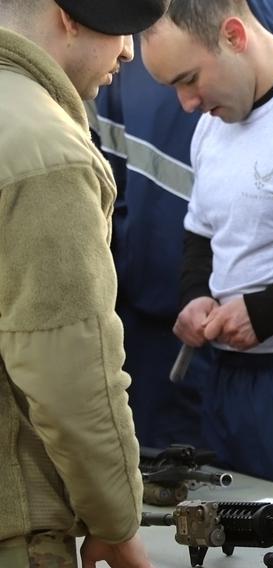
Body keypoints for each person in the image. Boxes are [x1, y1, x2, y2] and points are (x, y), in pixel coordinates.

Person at [89, 0, 273, 450]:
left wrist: (267, 312)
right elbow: (202, 232)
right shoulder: (212, 126)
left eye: (189, 80)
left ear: (234, 36)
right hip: (228, 381)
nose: (187, 104)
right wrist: (196, 295)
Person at [0, 1, 167, 566]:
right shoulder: (46, 153)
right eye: (122, 28)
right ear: (67, 16)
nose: (128, 50)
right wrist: (116, 523)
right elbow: (70, 371)